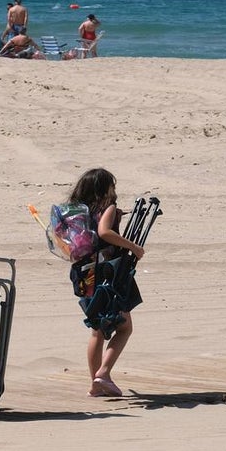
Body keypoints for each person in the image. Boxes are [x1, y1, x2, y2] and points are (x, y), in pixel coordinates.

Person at [67, 168, 145, 398]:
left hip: (87, 276)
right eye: (112, 186)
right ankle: (103, 374)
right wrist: (133, 246)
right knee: (124, 327)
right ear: (104, 189)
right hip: (109, 277)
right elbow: (104, 232)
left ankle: (96, 384)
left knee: (97, 331)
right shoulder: (107, 208)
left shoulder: (77, 214)